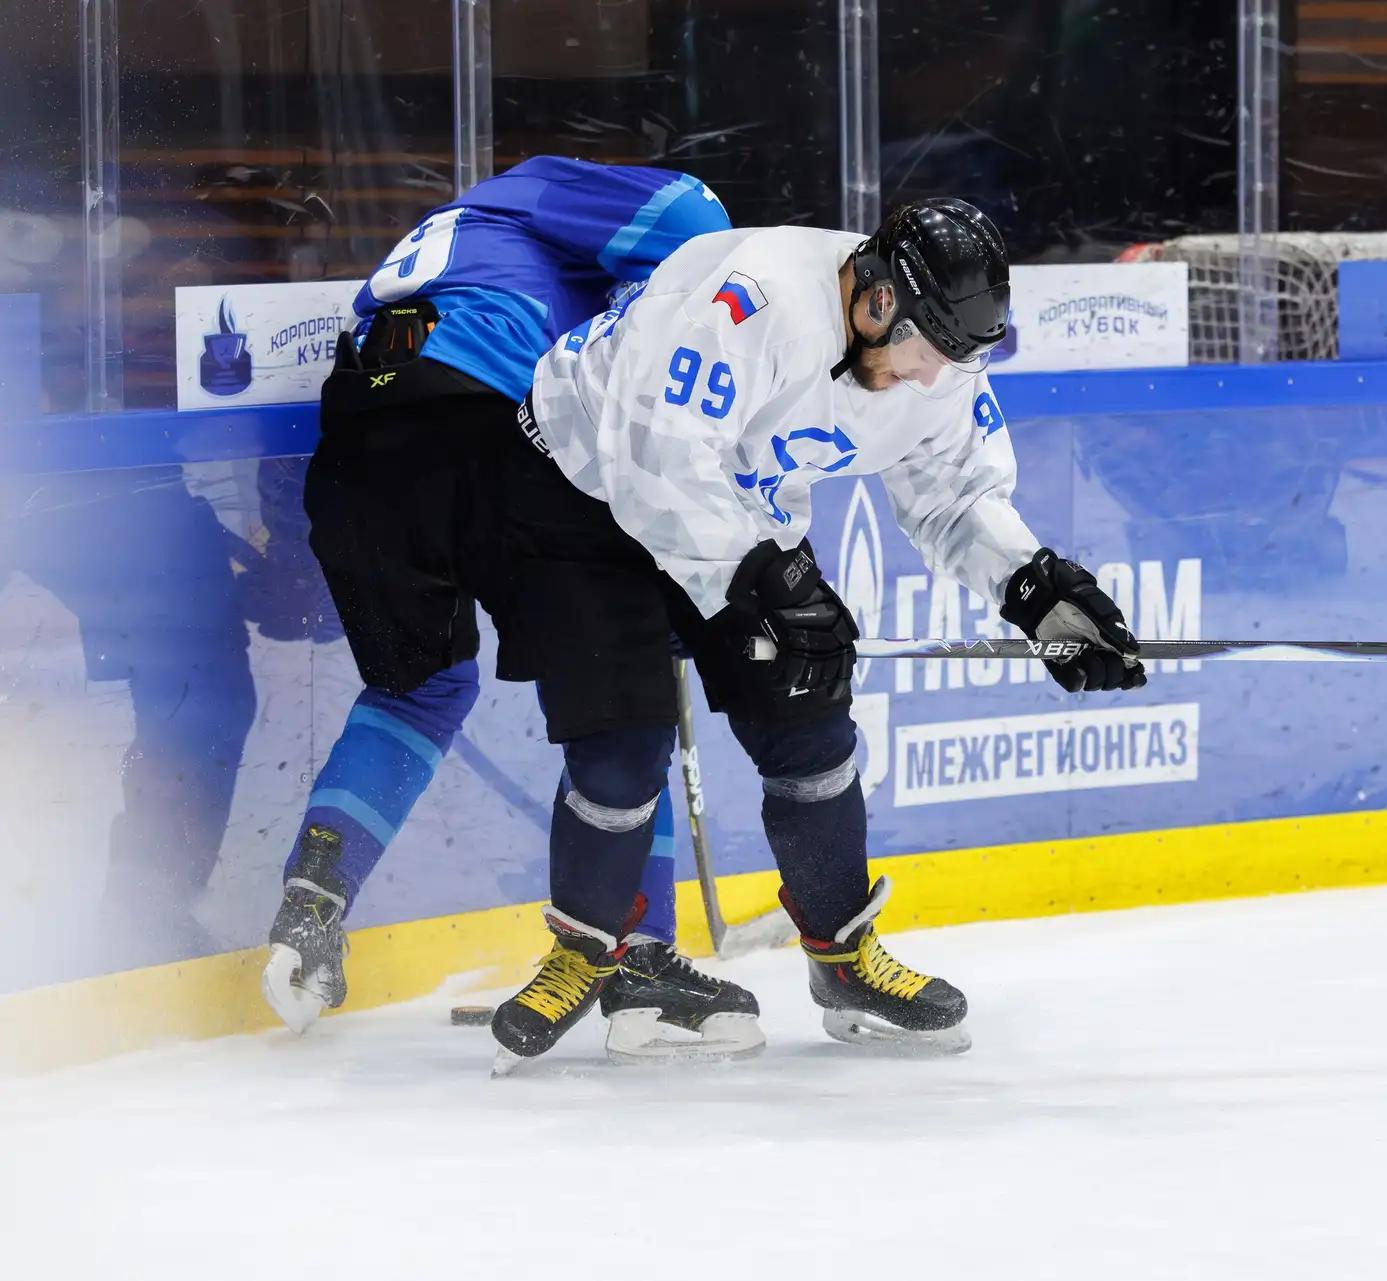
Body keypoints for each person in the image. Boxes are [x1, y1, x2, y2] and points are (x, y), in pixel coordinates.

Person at [491, 197, 1148, 1063]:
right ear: (878, 300)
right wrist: (763, 580)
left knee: (808, 714)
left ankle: (843, 961)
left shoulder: (940, 349)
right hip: (581, 487)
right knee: (620, 740)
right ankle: (583, 954)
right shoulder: (751, 301)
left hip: (734, 500)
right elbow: (656, 459)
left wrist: (1032, 588)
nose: (930, 380)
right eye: (923, 353)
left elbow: (955, 494)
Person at [263, 157, 763, 1064]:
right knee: (624, 699)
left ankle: (312, 905)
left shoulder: (471, 237)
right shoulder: (590, 197)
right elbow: (705, 256)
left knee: (421, 688)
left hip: (359, 434)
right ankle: (639, 959)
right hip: (492, 422)